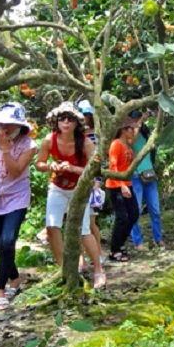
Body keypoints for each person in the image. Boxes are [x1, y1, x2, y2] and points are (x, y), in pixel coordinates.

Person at [35, 102, 105, 288]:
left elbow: (95, 169)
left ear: (76, 123)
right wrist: (52, 166)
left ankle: (99, 270)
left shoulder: (85, 142)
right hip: (57, 186)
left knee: (84, 230)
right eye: (62, 118)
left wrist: (73, 168)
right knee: (51, 226)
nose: (66, 122)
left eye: (70, 119)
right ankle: (64, 269)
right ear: (56, 121)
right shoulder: (49, 140)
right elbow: (39, 164)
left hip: (79, 189)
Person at [0, 102, 38, 310]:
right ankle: (14, 279)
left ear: (19, 126)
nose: (3, 127)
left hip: (17, 198)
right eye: (1, 123)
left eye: (9, 124)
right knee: (0, 245)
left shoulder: (28, 145)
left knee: (7, 241)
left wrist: (6, 149)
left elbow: (15, 171)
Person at [106, 116, 141, 262]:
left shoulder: (128, 145)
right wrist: (121, 185)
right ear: (124, 130)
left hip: (127, 184)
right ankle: (114, 249)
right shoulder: (116, 144)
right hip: (116, 185)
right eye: (131, 129)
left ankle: (120, 243)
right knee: (122, 218)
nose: (133, 131)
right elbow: (113, 166)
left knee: (134, 214)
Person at [129, 110, 163, 251]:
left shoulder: (145, 132)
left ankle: (159, 239)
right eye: (136, 117)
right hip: (135, 175)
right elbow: (132, 141)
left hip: (149, 173)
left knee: (155, 209)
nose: (138, 119)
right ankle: (138, 242)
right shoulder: (129, 133)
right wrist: (139, 122)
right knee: (135, 210)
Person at [77, 100, 105, 264]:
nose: (85, 118)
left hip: (91, 180)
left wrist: (98, 181)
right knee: (77, 222)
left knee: (91, 222)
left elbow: (101, 160)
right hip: (76, 180)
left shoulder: (97, 135)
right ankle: (81, 258)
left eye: (88, 115)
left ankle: (98, 254)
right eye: (83, 115)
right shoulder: (75, 135)